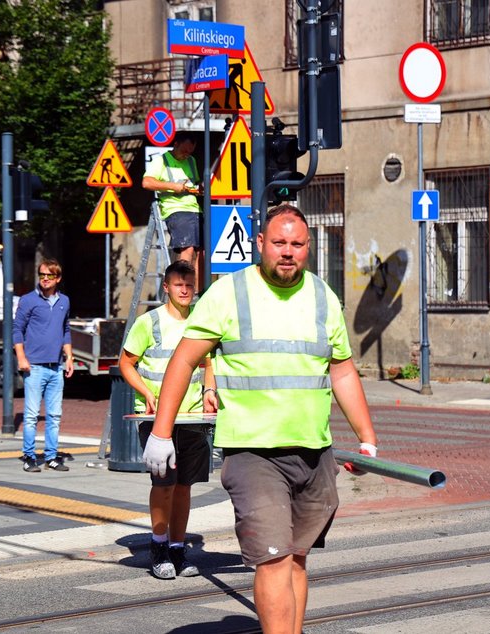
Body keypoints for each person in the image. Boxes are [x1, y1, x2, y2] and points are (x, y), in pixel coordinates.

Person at [141, 204, 379, 633]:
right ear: (260, 244)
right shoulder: (229, 293)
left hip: (313, 451)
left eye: (296, 244)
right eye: (279, 243)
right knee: (274, 558)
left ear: (308, 247)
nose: (287, 252)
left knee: (297, 559)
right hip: (254, 454)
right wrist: (161, 432)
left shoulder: (323, 296)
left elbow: (341, 369)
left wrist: (367, 439)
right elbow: (183, 361)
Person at [118, 261, 217, 580]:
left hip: (191, 417)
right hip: (157, 418)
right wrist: (146, 392)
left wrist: (210, 389)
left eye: (190, 284)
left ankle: (177, 546)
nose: (186, 290)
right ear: (167, 288)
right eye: (179, 285)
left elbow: (207, 362)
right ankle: (158, 544)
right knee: (164, 485)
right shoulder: (150, 323)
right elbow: (126, 363)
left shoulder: (200, 322)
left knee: (185, 486)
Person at [13, 258, 75, 473]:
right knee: (31, 415)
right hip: (35, 367)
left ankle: (51, 456)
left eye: (50, 275)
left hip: (56, 366)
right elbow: (17, 329)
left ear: (58, 278)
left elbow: (65, 330)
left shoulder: (64, 301)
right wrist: (21, 357)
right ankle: (29, 456)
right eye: (42, 275)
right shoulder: (28, 300)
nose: (45, 279)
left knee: (54, 415)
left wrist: (69, 357)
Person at [142, 131, 204, 284]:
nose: (186, 155)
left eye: (190, 151)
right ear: (175, 144)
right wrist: (172, 186)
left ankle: (199, 290)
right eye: (184, 151)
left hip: (195, 209)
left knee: (203, 251)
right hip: (176, 209)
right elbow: (147, 182)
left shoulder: (191, 161)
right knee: (187, 247)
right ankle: (182, 285)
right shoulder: (161, 161)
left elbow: (194, 183)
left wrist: (200, 188)